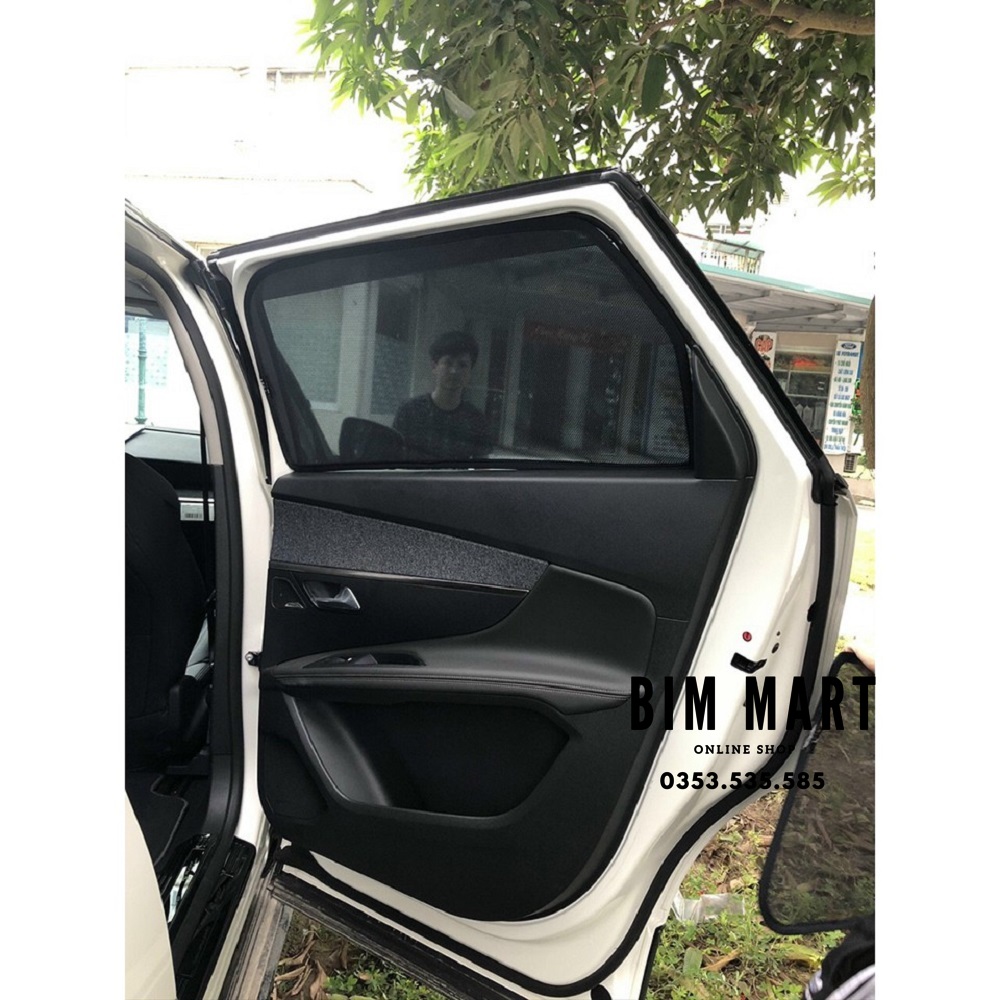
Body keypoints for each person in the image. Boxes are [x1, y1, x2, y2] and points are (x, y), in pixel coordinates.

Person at [393, 331, 492, 461]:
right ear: (434, 366)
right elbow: (393, 459)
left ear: (470, 372)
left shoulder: (476, 420)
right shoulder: (409, 411)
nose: (454, 371)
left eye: (462, 365)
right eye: (448, 363)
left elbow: (482, 469)